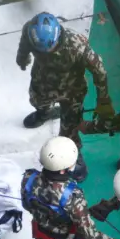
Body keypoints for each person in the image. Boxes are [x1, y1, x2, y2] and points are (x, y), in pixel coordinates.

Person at [16, 12, 111, 142]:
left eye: (50, 49)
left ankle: (68, 153)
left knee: (69, 130)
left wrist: (103, 100)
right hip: (42, 80)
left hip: (72, 90)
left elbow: (100, 72)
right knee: (36, 101)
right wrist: (22, 59)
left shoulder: (78, 46)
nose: (46, 53)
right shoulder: (30, 32)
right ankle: (45, 113)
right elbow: (24, 45)